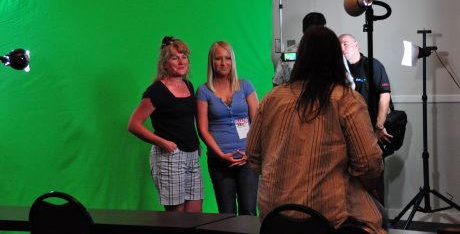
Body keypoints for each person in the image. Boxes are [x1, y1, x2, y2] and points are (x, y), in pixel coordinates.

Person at [247, 26, 385, 233]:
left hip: (273, 216)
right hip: (326, 217)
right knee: (377, 217)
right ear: (336, 58)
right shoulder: (346, 99)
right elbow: (369, 163)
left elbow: (253, 156)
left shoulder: (271, 98)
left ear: (301, 57)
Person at [127, 36, 203, 212]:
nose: (181, 61)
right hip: (170, 156)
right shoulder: (157, 91)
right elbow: (134, 124)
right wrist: (162, 142)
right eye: (174, 58)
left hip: (192, 155)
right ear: (165, 64)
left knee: (195, 214)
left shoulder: (188, 85)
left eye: (183, 57)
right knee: (176, 216)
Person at [196, 41, 259, 215]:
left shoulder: (246, 86)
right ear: (212, 62)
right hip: (219, 161)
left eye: (227, 58)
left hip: (247, 160)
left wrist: (251, 152)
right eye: (218, 58)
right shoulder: (203, 91)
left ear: (233, 61)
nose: (224, 63)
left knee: (248, 210)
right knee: (226, 214)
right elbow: (203, 129)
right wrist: (221, 155)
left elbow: (258, 123)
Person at [338, 33, 392, 205]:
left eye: (345, 43)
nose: (342, 48)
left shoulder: (372, 66)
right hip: (347, 134)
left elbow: (385, 96)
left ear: (356, 44)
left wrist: (379, 126)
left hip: (371, 133)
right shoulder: (339, 70)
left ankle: (379, 224)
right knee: (350, 182)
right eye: (339, 45)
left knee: (373, 179)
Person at [273, 12, 354, 88]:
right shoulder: (334, 51)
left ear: (303, 30)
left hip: (296, 99)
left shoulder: (288, 53)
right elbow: (349, 84)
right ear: (324, 29)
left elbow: (277, 82)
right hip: (326, 99)